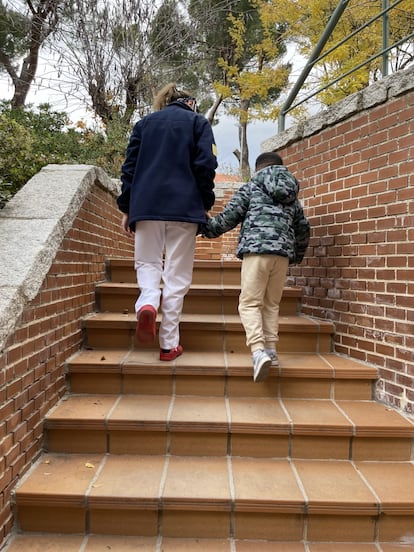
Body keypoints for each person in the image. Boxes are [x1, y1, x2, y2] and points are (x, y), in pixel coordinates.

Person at [117, 83, 217, 361]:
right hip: (184, 207)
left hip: (146, 205)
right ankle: (168, 344)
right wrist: (205, 202)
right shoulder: (198, 123)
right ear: (191, 103)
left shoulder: (144, 124)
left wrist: (127, 207)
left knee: (147, 263)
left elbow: (129, 168)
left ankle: (148, 301)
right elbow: (206, 164)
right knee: (177, 274)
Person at [201, 151, 310, 382]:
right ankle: (271, 349)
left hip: (256, 251)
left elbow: (229, 217)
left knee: (249, 303)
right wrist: (296, 256)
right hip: (282, 255)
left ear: (257, 169)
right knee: (271, 304)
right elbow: (303, 229)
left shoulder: (251, 188)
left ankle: (258, 352)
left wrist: (206, 228)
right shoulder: (292, 195)